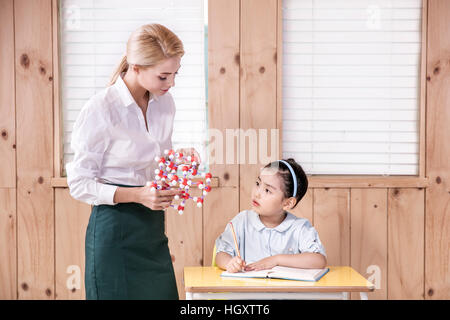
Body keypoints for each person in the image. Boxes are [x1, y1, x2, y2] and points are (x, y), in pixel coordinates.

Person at [66, 24, 200, 299]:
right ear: (136, 67)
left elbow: (157, 163)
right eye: (163, 76)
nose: (171, 83)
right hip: (113, 230)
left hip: (151, 228)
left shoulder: (165, 104)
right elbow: (79, 184)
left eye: (175, 74)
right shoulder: (101, 109)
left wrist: (178, 160)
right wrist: (138, 195)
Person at [215, 159, 327, 273]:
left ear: (287, 203)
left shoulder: (299, 228)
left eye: (267, 190)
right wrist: (230, 263)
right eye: (258, 184)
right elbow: (220, 255)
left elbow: (319, 260)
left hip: (285, 290)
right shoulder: (242, 221)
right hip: (248, 289)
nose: (257, 193)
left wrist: (276, 260)